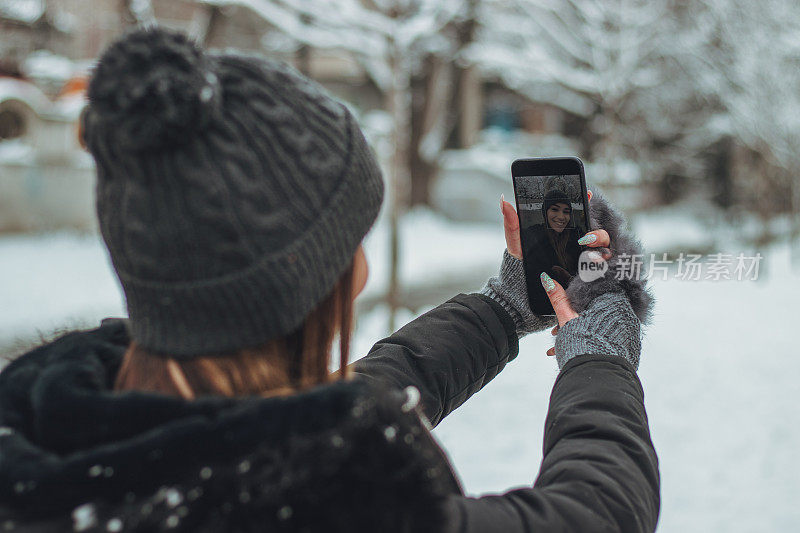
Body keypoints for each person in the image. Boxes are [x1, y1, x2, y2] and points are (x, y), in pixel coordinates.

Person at [0, 28, 659, 532]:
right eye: (350, 244)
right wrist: (600, 351)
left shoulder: (61, 434)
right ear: (285, 284)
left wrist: (505, 307)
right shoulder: (351, 500)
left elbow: (332, 404)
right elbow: (593, 512)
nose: (365, 268)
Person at [520, 188, 584, 287]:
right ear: (545, 212)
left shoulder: (578, 237)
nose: (561, 216)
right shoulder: (533, 236)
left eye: (566, 212)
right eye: (555, 209)